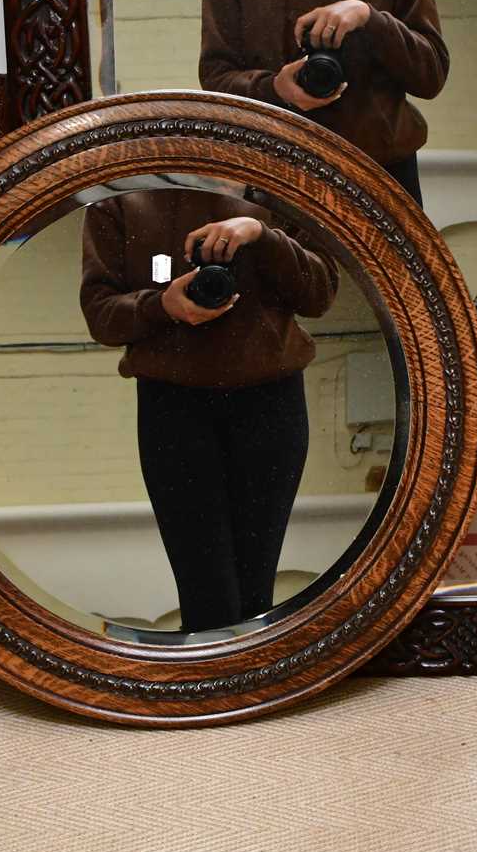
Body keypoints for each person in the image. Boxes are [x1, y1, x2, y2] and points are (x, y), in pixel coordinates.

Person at [79, 182, 339, 634]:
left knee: (257, 583)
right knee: (204, 588)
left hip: (271, 400)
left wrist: (261, 233)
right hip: (173, 406)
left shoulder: (275, 176)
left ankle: (246, 690)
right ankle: (212, 692)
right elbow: (100, 313)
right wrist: (163, 304)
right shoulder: (119, 193)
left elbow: (320, 294)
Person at [198, 0, 449, 206]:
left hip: (382, 170)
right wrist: (276, 88)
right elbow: (216, 81)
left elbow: (431, 74)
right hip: (279, 170)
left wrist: (367, 18)